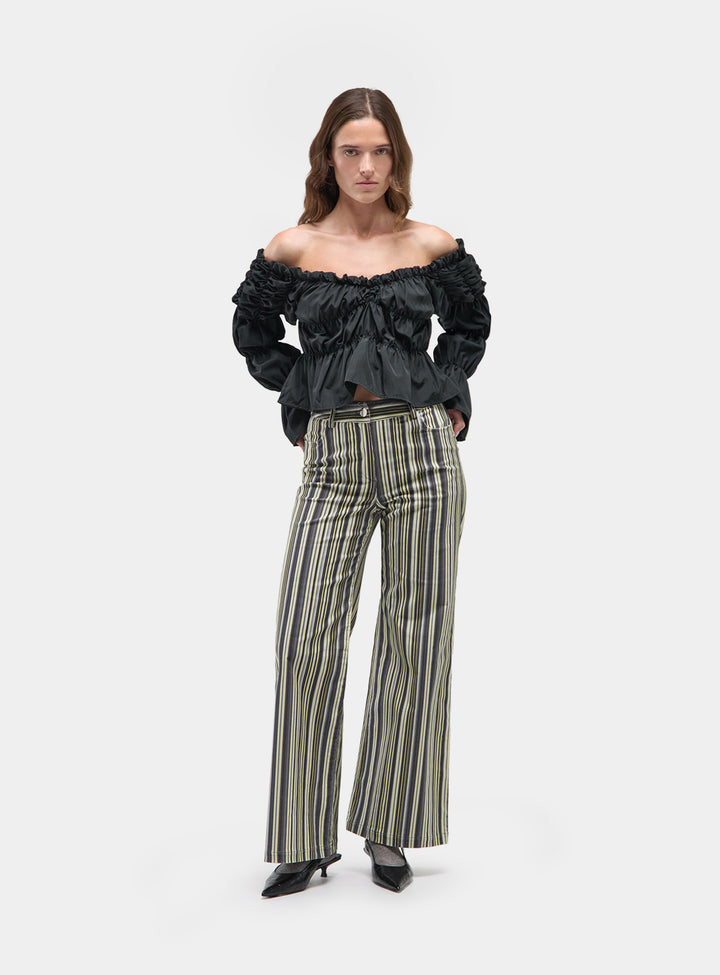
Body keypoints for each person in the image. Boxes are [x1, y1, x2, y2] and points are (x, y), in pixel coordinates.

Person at [231, 87, 491, 898]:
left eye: (381, 150)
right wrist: (302, 399)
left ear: (397, 156)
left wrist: (448, 394)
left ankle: (389, 826)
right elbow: (252, 334)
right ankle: (302, 838)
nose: (368, 165)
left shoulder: (431, 244)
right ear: (328, 158)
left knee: (417, 635)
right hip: (336, 455)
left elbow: (471, 326)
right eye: (352, 151)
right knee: (306, 634)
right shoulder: (295, 246)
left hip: (422, 451)